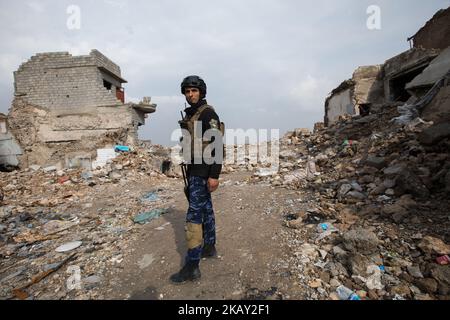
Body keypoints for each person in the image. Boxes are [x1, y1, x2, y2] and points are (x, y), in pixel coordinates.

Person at [170, 75, 224, 284]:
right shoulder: (193, 115)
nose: (190, 94)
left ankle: (192, 266)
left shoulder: (207, 114)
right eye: (187, 91)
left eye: (194, 90)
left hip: (203, 171)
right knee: (205, 209)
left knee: (193, 216)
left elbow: (217, 146)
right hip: (194, 169)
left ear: (201, 92)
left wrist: (214, 175)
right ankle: (209, 247)